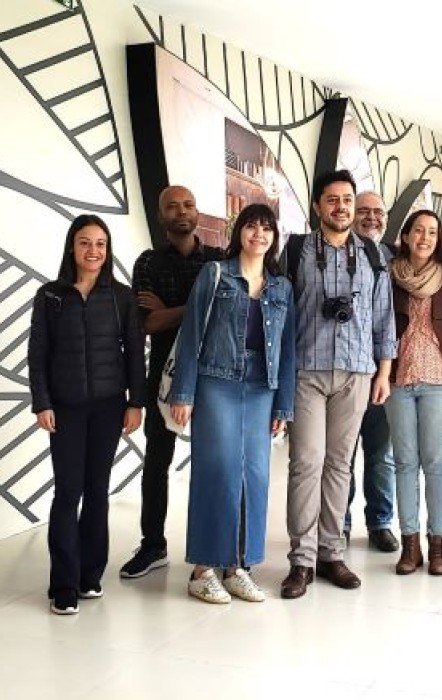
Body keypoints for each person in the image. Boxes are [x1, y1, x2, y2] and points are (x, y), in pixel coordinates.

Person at [167, 203, 296, 604]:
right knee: (217, 473)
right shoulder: (216, 274)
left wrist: (283, 406)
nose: (259, 234)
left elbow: (288, 349)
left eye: (266, 228)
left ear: (274, 237)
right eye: (251, 227)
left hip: (262, 386)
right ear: (239, 232)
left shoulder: (282, 287)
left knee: (254, 478)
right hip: (216, 381)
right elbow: (191, 334)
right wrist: (183, 393)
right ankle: (203, 569)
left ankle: (238, 565)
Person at [279, 169, 397, 600]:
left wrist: (383, 372)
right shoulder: (294, 251)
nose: (342, 207)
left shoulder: (372, 255)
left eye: (347, 199)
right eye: (333, 200)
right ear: (317, 206)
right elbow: (280, 313)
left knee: (340, 465)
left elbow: (384, 318)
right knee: (306, 462)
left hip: (357, 371)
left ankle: (332, 553)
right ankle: (301, 560)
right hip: (306, 371)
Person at [28, 214, 146, 615]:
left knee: (98, 491)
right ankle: (63, 583)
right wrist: (41, 402)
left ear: (107, 249)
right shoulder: (50, 296)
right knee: (67, 493)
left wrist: (136, 402)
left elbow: (134, 352)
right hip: (64, 408)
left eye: (100, 243)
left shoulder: (122, 296)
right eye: (85, 243)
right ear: (72, 248)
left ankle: (90, 576)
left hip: (110, 406)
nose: (93, 251)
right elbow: (37, 354)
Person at [119, 186, 223, 580]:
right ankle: (153, 544)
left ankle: (213, 547)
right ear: (161, 215)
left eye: (189, 205)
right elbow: (147, 323)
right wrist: (198, 305)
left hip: (213, 374)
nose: (181, 212)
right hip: (162, 372)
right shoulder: (147, 262)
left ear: (198, 212)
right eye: (172, 207)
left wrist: (172, 310)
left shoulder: (218, 259)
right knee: (157, 463)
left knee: (214, 463)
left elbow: (220, 316)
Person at [385, 210, 442, 575]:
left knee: (435, 464)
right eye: (419, 230)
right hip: (398, 380)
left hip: (438, 380)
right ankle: (410, 544)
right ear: (406, 235)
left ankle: (437, 545)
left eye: (432, 232)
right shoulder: (390, 275)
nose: (425, 238)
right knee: (403, 463)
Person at [344, 190, 399, 552]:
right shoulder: (333, 253)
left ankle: (380, 521)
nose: (371, 218)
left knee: (381, 453)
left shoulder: (395, 258)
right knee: (341, 454)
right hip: (344, 371)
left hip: (384, 372)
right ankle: (339, 523)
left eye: (378, 212)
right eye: (363, 211)